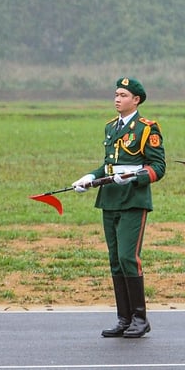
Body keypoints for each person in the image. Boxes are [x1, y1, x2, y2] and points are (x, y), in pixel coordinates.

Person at [71, 77, 165, 339]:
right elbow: (108, 166)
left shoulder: (147, 129)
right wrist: (90, 177)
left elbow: (158, 167)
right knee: (115, 261)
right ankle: (124, 318)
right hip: (110, 199)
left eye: (123, 95)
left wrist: (136, 175)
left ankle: (139, 318)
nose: (117, 99)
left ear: (136, 100)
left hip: (133, 200)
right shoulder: (110, 127)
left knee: (127, 257)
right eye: (116, 94)